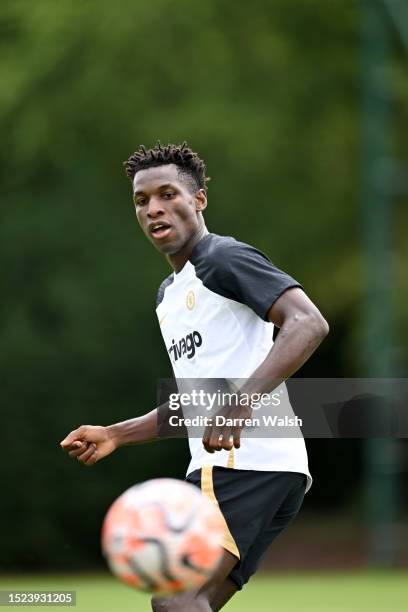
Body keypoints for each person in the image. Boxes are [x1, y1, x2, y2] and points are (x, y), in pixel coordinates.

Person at [60, 142, 329, 612]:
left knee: (175, 598)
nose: (154, 208)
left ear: (199, 200)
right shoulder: (169, 295)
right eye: (142, 201)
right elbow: (200, 399)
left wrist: (242, 403)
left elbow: (308, 323)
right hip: (266, 467)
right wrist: (116, 434)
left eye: (168, 194)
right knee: (191, 601)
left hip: (242, 462)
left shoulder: (221, 258)